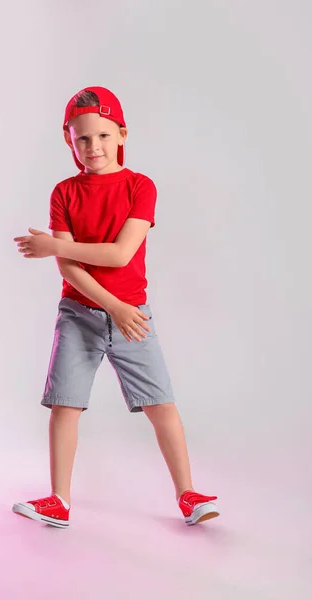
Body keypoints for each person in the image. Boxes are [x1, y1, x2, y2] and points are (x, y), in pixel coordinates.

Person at [12, 86, 219, 528]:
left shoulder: (140, 187)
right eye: (82, 138)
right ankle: (59, 500)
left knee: (160, 403)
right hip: (77, 315)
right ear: (69, 139)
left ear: (121, 133)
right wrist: (99, 293)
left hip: (134, 316)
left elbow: (121, 254)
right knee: (65, 405)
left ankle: (187, 494)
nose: (94, 147)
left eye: (103, 136)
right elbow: (69, 268)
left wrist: (53, 246)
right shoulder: (64, 192)